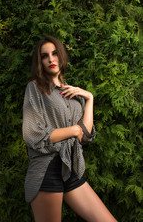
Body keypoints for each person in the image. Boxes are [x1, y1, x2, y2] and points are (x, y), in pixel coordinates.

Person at [22, 36, 118, 222]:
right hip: (46, 171)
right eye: (45, 56)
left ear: (61, 56)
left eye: (55, 53)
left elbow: (86, 135)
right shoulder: (35, 88)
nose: (51, 59)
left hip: (71, 168)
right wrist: (74, 130)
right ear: (40, 61)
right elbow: (32, 135)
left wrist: (89, 98)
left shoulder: (73, 93)